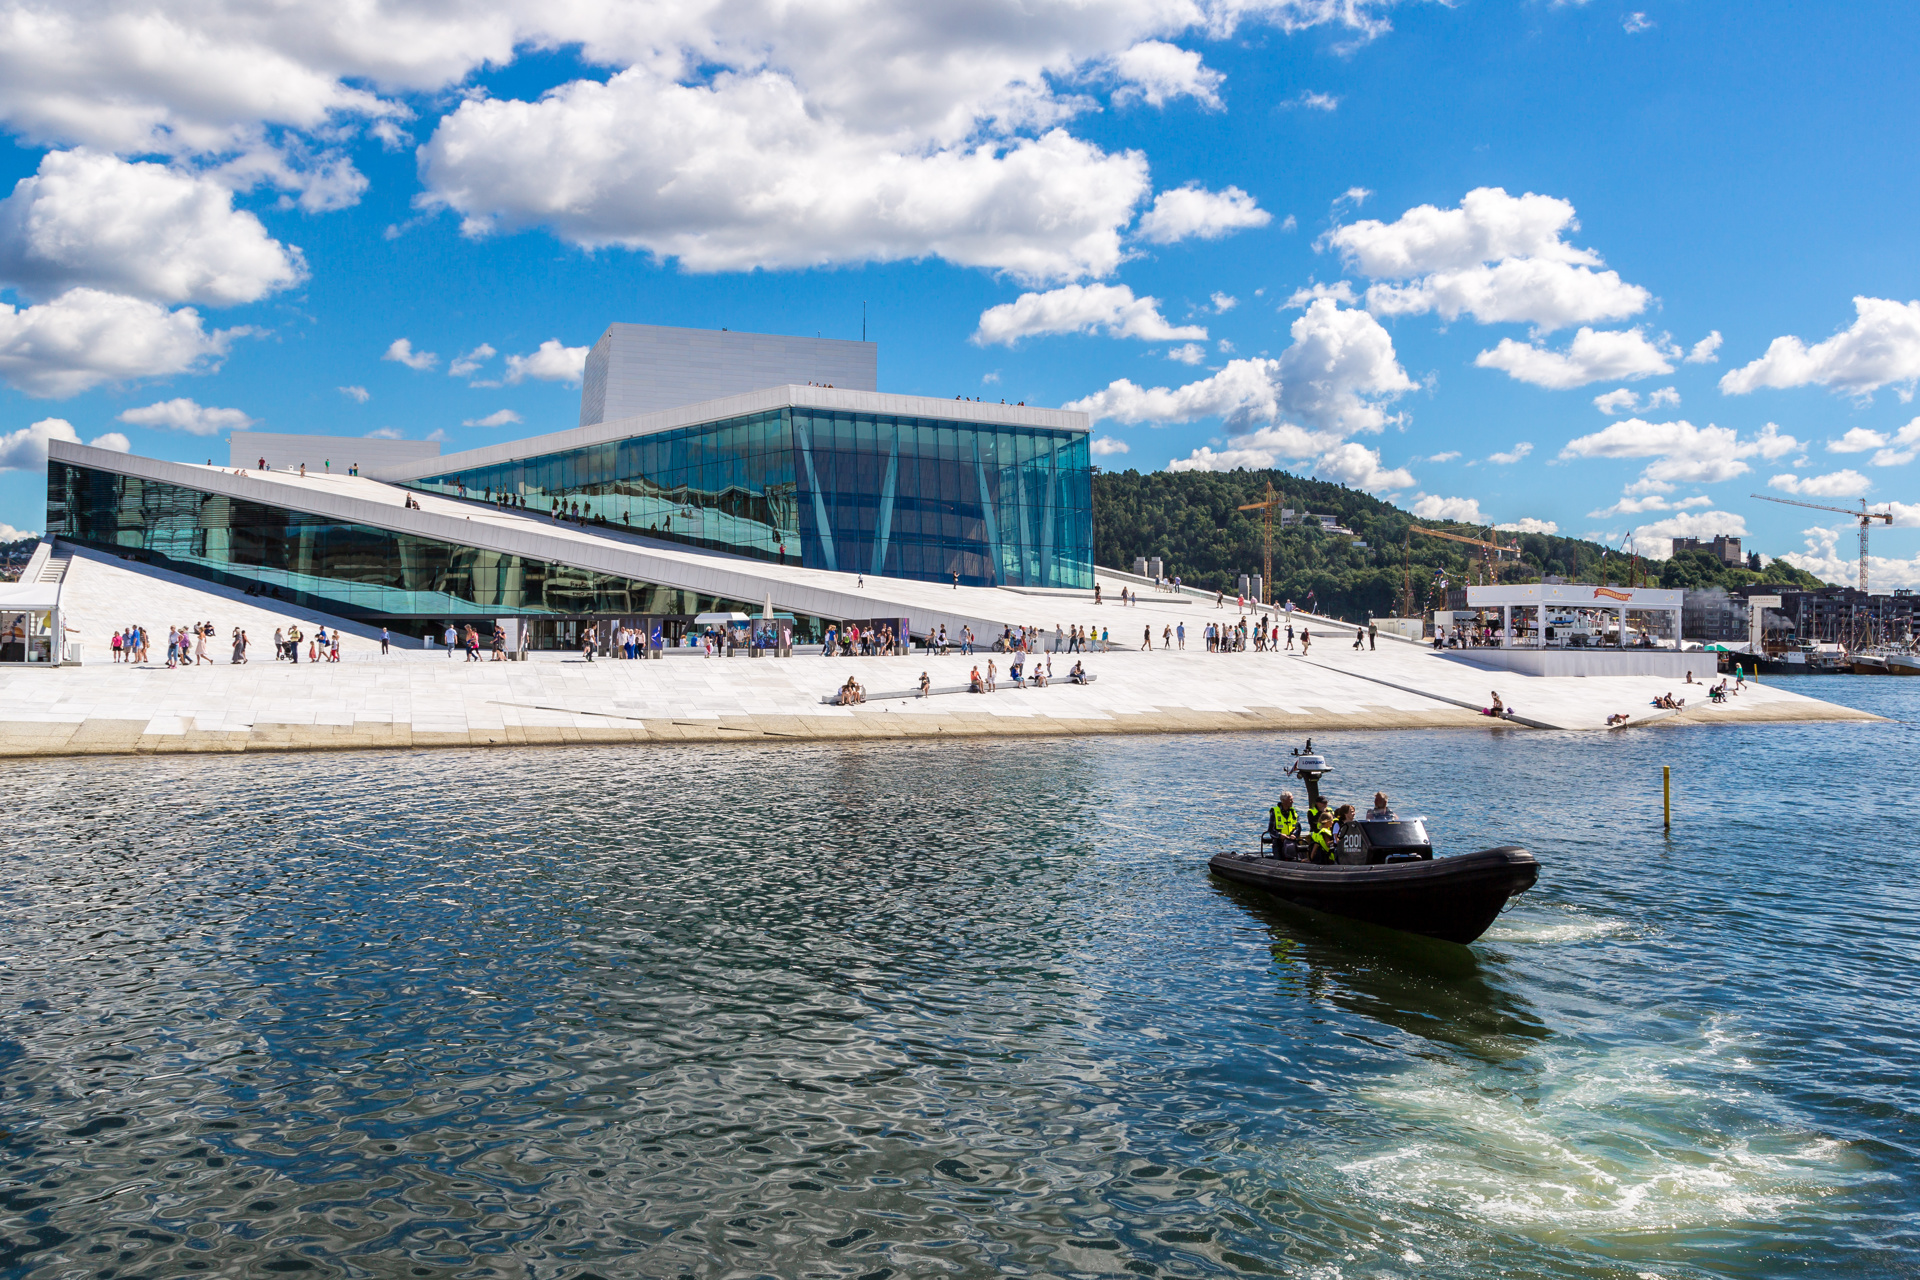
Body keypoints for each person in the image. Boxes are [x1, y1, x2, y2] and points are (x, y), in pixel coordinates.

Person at [1267, 790, 1302, 858]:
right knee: (1279, 858)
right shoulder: (1275, 812)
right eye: (1290, 800)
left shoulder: (1293, 812)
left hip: (1291, 842)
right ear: (1283, 801)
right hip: (1279, 842)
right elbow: (1270, 830)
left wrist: (1294, 835)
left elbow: (1298, 827)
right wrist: (1279, 835)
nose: (1292, 802)